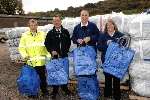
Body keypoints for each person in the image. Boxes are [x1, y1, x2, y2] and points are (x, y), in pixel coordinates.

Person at [71, 9, 100, 99]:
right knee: (82, 73)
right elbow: (73, 38)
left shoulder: (93, 26)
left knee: (91, 72)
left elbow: (98, 36)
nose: (84, 17)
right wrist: (77, 40)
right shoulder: (77, 27)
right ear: (80, 16)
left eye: (86, 15)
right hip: (80, 55)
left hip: (90, 53)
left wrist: (90, 38)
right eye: (82, 15)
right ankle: (83, 93)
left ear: (88, 16)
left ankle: (92, 92)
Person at [18, 19, 50, 98]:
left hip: (40, 61)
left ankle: (44, 91)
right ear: (29, 26)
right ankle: (33, 93)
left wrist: (48, 55)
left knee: (42, 77)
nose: (33, 27)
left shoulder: (42, 34)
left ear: (37, 25)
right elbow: (21, 47)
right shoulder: (25, 35)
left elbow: (47, 46)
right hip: (30, 62)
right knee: (32, 78)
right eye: (31, 25)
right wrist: (25, 55)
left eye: (35, 25)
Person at [44, 15, 71, 99]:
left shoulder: (65, 31)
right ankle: (55, 90)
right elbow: (46, 44)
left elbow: (69, 43)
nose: (56, 22)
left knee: (64, 73)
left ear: (60, 21)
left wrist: (64, 51)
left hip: (63, 57)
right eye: (55, 21)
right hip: (55, 58)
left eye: (58, 20)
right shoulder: (50, 33)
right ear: (53, 22)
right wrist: (52, 50)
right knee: (55, 73)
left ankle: (64, 88)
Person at [97, 19, 124, 100]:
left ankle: (117, 96)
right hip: (106, 60)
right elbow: (99, 47)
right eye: (107, 25)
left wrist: (118, 45)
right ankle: (107, 94)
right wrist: (107, 45)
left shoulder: (120, 35)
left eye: (111, 25)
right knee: (108, 78)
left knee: (116, 78)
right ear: (106, 27)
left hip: (117, 60)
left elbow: (124, 46)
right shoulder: (103, 35)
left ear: (114, 25)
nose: (109, 26)